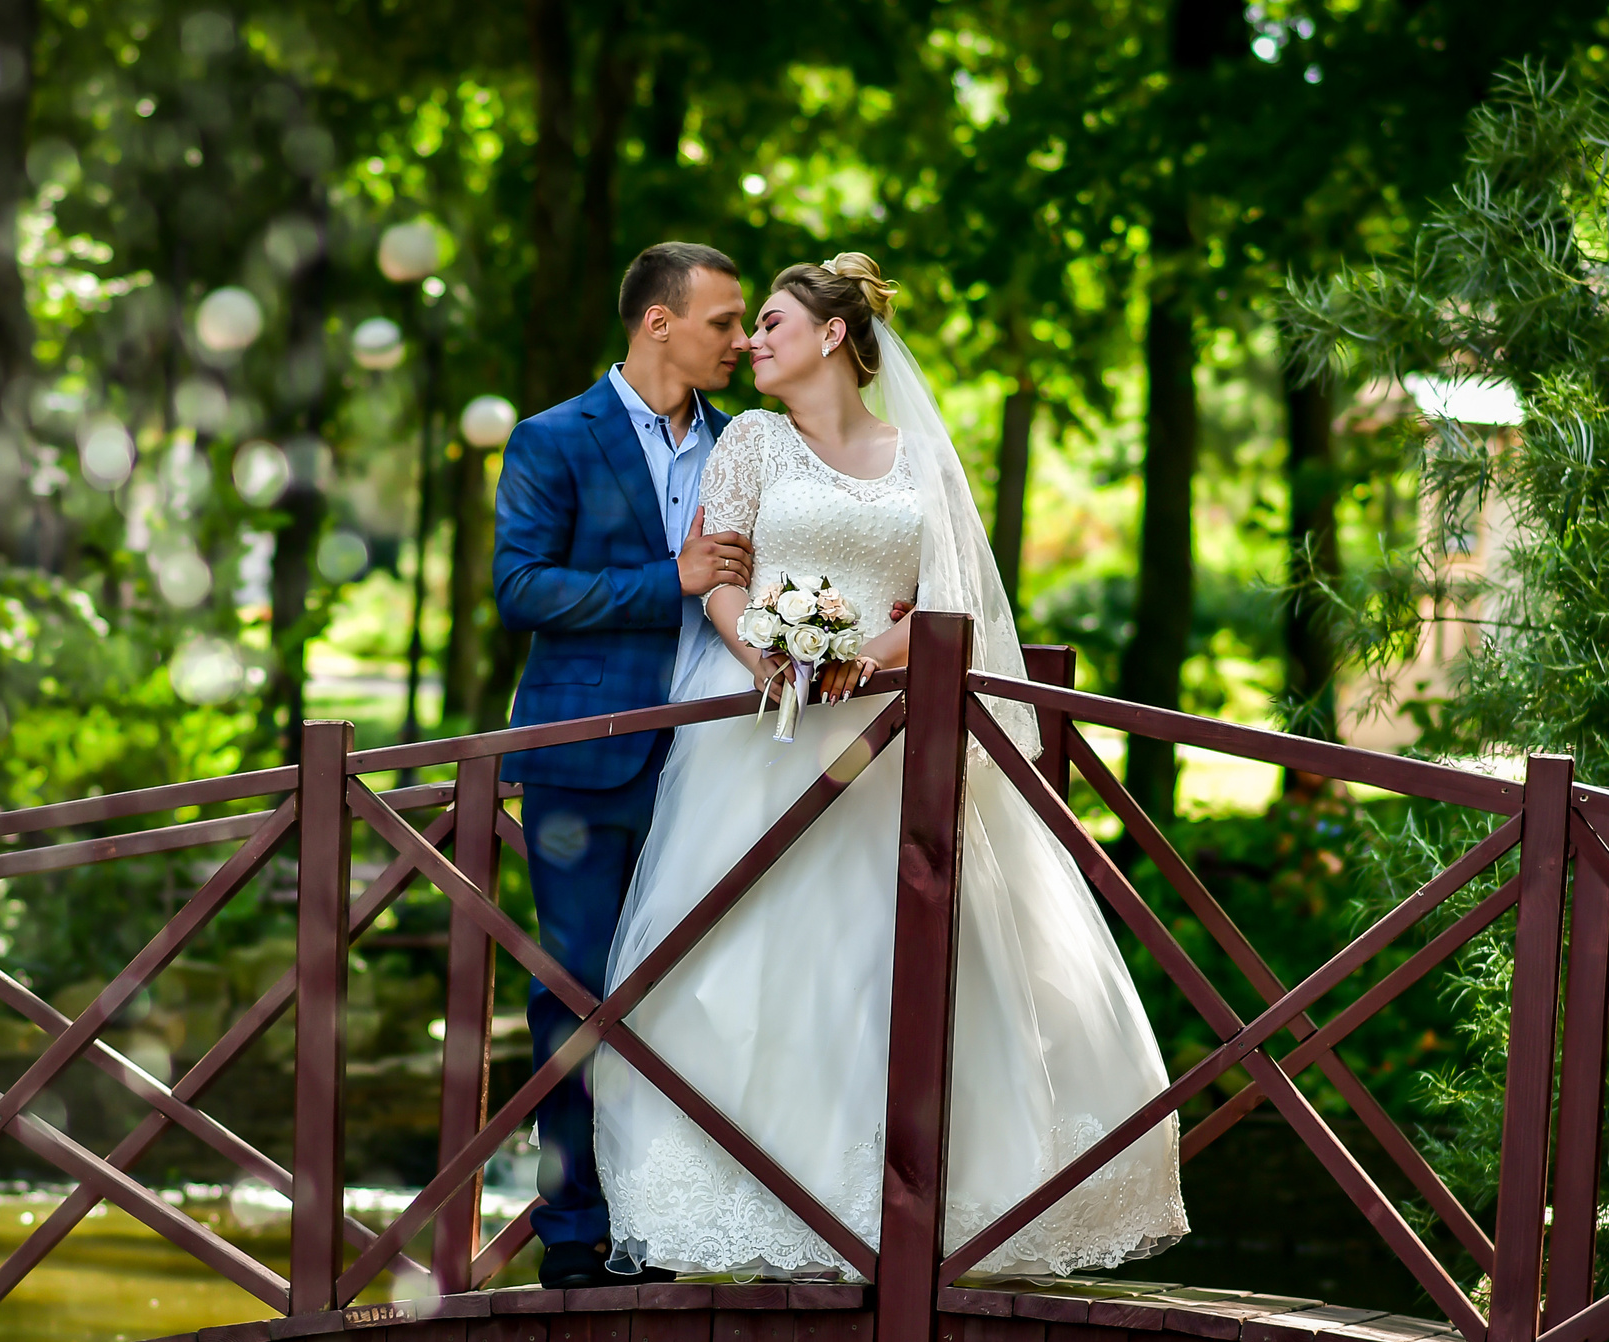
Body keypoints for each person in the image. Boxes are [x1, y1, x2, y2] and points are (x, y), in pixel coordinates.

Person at [591, 254, 1190, 1280]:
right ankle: (761, 1195)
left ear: (830, 336)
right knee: (755, 956)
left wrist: (865, 658)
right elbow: (722, 578)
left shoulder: (917, 457)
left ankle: (900, 1206)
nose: (751, 343)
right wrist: (769, 655)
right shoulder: (750, 441)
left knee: (880, 961)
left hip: (885, 750)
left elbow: (946, 606)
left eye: (770, 323)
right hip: (763, 742)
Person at [491, 241, 757, 1288]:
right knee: (576, 995)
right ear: (658, 322)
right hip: (583, 759)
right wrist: (669, 579)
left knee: (686, 991)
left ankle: (672, 1219)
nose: (738, 342)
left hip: (717, 762)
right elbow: (522, 588)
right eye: (722, 322)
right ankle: (573, 1236)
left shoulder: (747, 446)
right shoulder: (552, 439)